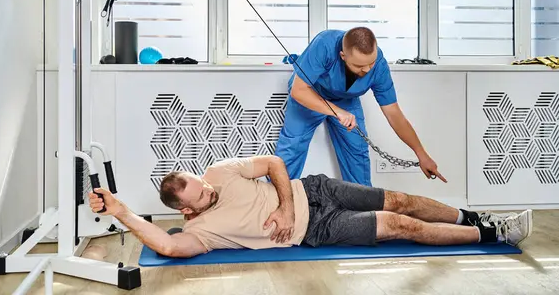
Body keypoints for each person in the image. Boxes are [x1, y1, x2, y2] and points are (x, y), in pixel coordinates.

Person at [88, 155, 532, 258]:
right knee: (399, 223)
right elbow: (166, 248)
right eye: (200, 196)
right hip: (316, 229)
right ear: (187, 211)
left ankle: (472, 216)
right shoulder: (201, 233)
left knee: (404, 199)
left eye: (202, 183)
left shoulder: (219, 173)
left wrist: (282, 205)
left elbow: (275, 163)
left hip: (315, 191)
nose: (209, 190)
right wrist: (122, 213)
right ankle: (494, 233)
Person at [274, 27, 443, 186]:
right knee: (292, 148)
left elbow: (394, 113)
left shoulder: (379, 66)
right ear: (342, 56)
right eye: (359, 66)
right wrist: (336, 112)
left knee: (357, 153)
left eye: (371, 63)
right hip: (310, 93)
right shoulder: (324, 44)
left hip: (345, 99)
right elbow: (298, 90)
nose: (367, 70)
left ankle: (362, 209)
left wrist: (421, 154)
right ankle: (272, 203)